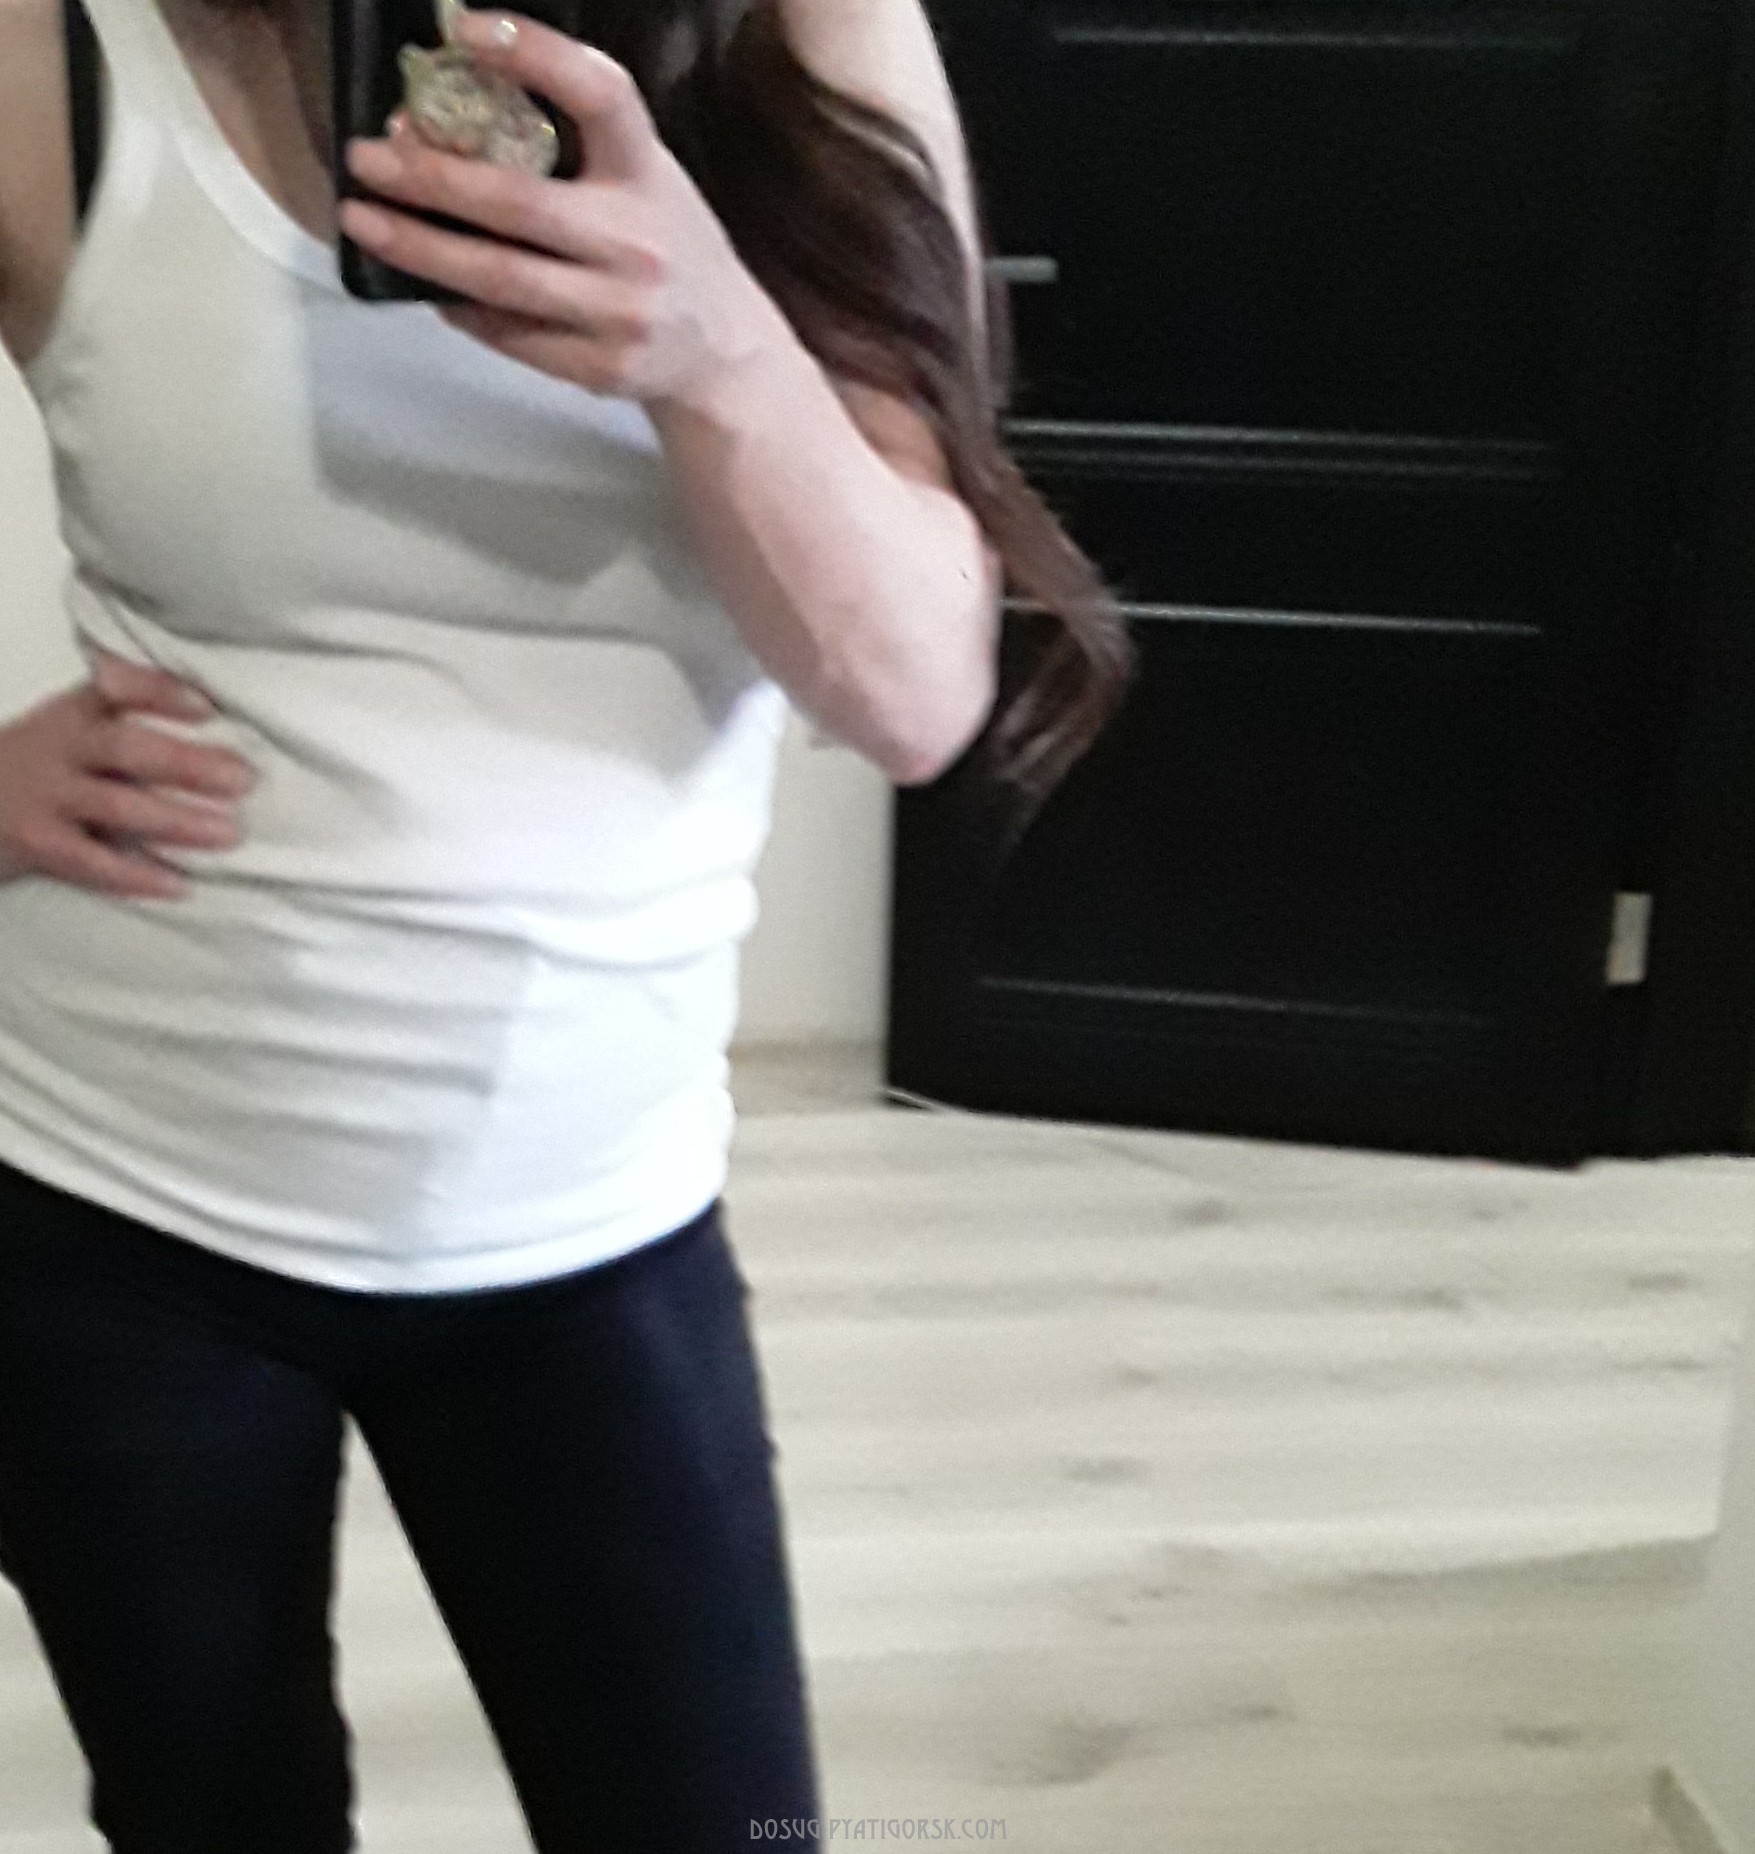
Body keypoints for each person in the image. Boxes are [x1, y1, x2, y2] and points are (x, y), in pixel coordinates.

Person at [0, 1, 1130, 1849]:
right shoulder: (52, 58)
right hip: (116, 1207)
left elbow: (919, 694)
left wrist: (714, 348)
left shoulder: (806, 34)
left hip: (594, 1224)